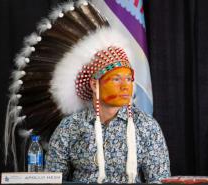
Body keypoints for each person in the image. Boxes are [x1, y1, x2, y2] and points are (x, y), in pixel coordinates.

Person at [45, 45, 171, 183]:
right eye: (116, 79)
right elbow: (52, 180)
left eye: (129, 79)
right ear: (94, 85)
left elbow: (160, 180)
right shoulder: (70, 127)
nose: (125, 86)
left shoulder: (146, 125)